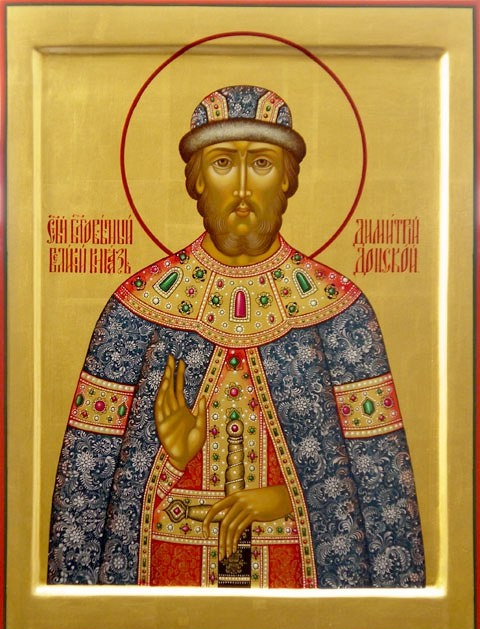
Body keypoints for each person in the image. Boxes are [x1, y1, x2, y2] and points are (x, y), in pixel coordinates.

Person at [48, 85, 425, 588]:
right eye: (223, 163)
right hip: (164, 582)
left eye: (262, 163)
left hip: (303, 589)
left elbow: (383, 494)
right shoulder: (136, 312)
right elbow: (85, 494)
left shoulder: (339, 313)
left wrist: (287, 498)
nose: (243, 188)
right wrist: (175, 459)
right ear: (196, 180)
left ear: (287, 180)